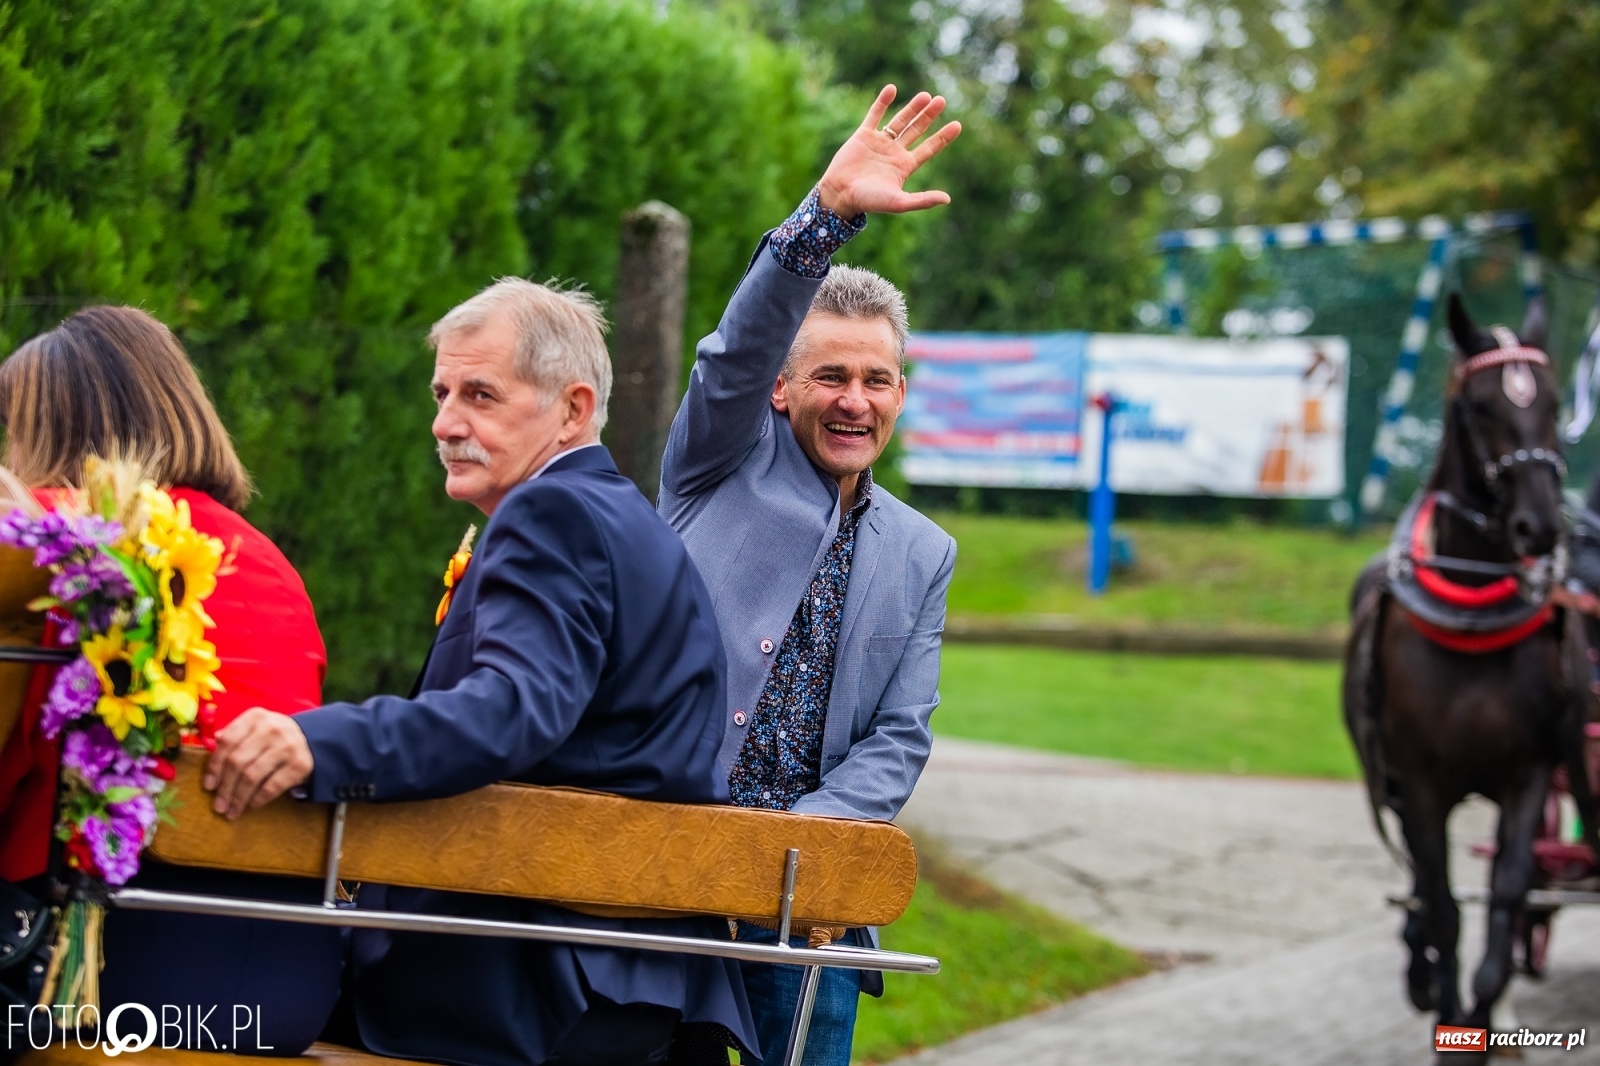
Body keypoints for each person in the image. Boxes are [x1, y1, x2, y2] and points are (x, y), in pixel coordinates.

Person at [205, 280, 752, 1066]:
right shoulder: (627, 519)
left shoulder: (552, 512)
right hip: (636, 982)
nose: (445, 423)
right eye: (442, 394)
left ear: (572, 409)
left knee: (220, 1008)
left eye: (480, 395)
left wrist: (315, 743)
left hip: (527, 985)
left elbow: (511, 710)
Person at [657, 86, 959, 1064]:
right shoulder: (714, 462)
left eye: (876, 380)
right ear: (782, 389)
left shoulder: (924, 551)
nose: (854, 400)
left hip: (806, 903)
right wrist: (824, 216)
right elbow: (735, 351)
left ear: (900, 394)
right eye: (831, 376)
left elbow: (898, 736)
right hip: (659, 876)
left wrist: (788, 854)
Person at [0, 305, 341, 1053]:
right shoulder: (269, 564)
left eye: (14, 431)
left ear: (54, 433)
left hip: (107, 975)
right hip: (286, 978)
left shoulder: (60, 547)